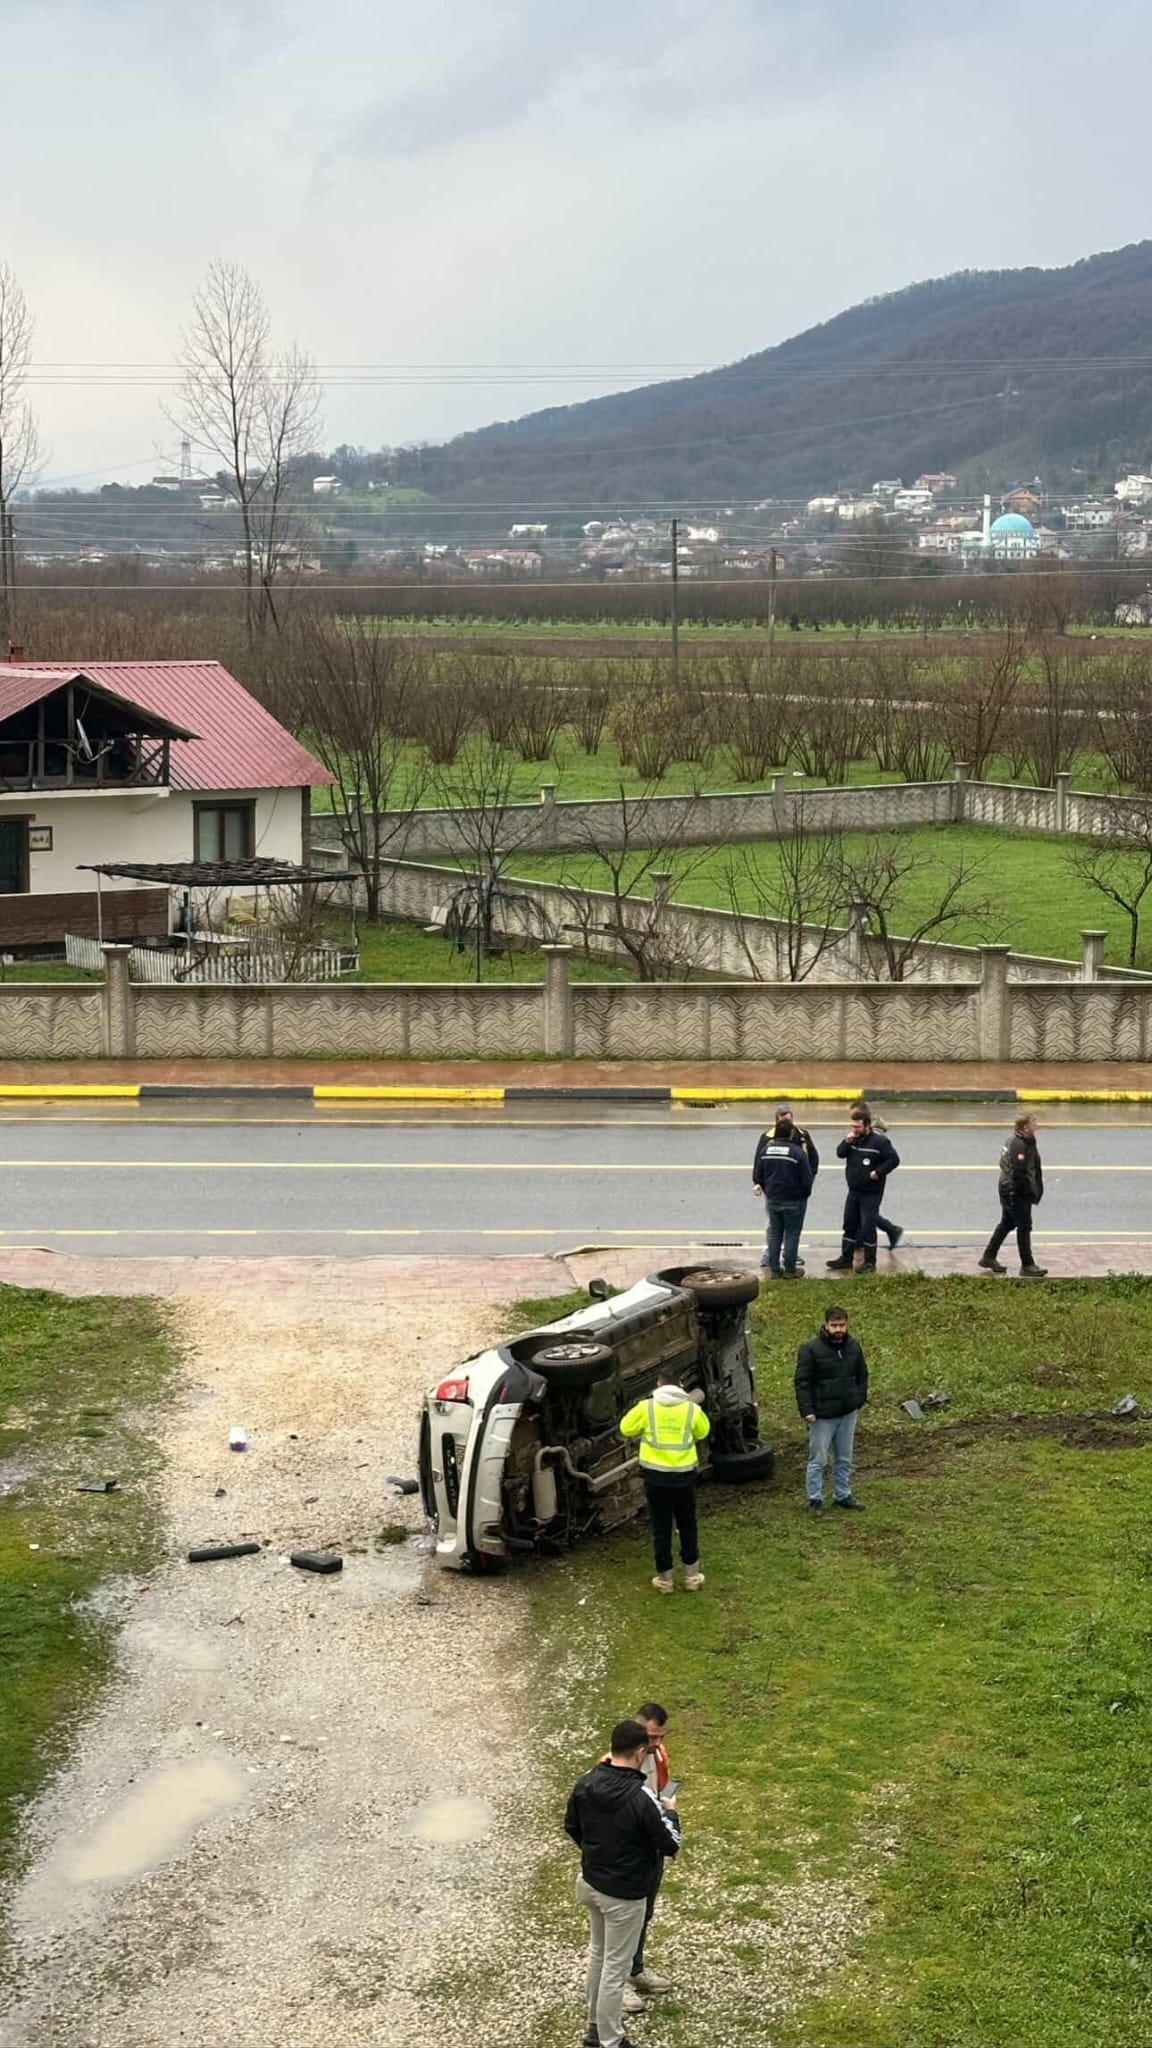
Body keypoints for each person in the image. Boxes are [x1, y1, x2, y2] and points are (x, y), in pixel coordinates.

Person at [565, 1718, 682, 2048]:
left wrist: (597, 1855)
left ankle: (593, 2028)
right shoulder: (641, 1797)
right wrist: (671, 1812)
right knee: (615, 1969)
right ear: (640, 1752)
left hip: (590, 1883)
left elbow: (572, 1826)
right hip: (625, 1894)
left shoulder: (585, 1782)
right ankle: (610, 2040)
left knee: (599, 1956)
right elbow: (670, 1844)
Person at [619, 1368, 710, 1593]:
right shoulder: (691, 1409)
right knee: (688, 1525)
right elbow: (703, 1432)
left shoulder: (646, 1407)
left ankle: (665, 1581)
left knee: (662, 1528)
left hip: (655, 1478)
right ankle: (691, 1577)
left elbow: (625, 1428)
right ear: (680, 1384)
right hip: (683, 1478)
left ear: (658, 1384)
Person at [795, 1305, 869, 1512]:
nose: (838, 1329)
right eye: (834, 1325)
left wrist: (859, 1399)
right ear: (826, 1325)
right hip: (822, 1416)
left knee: (845, 1458)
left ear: (847, 1325)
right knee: (818, 1459)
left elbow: (862, 1374)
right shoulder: (810, 1349)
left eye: (842, 1325)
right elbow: (802, 1382)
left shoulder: (854, 1347)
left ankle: (843, 1494)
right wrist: (807, 1410)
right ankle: (815, 1499)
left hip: (847, 1412)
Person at [625, 1703, 674, 2010]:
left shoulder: (658, 1755)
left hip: (652, 1848)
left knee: (644, 1913)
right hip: (630, 1852)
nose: (656, 1744)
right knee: (622, 1920)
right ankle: (615, 1984)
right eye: (651, 1737)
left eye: (661, 1737)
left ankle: (636, 1969)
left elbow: (662, 1788)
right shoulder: (617, 1762)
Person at [827, 1106, 900, 1273]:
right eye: (853, 1126)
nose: (855, 1130)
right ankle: (846, 1258)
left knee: (868, 1226)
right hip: (854, 1190)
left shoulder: (880, 1142)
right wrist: (847, 1141)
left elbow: (893, 1160)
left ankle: (869, 1262)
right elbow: (840, 1153)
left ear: (867, 1126)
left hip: (871, 1192)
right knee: (849, 1223)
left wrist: (878, 1172)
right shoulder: (853, 1140)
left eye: (858, 1127)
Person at [979, 1113, 1048, 1277]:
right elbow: (1019, 1173)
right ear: (1024, 1128)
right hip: (1014, 1191)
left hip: (1010, 1189)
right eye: (1033, 1124)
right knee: (1024, 1226)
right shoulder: (1018, 1144)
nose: (1036, 1127)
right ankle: (1027, 1264)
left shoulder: (1024, 1141)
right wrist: (1026, 1192)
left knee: (1007, 1223)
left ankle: (988, 1257)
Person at [751, 1117, 813, 1277]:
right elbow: (807, 1179)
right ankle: (790, 1270)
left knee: (775, 1234)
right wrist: (803, 1196)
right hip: (794, 1200)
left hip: (773, 1199)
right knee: (792, 1234)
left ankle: (774, 1270)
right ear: (791, 1134)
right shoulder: (797, 1153)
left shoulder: (766, 1151)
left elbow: (758, 1175)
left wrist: (769, 1192)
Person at [850, 1100, 902, 1249]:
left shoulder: (874, 1135)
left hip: (872, 1181)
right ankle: (860, 1240)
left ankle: (892, 1230)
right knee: (863, 1212)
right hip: (861, 1180)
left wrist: (877, 1173)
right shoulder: (861, 1131)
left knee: (869, 1214)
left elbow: (891, 1158)